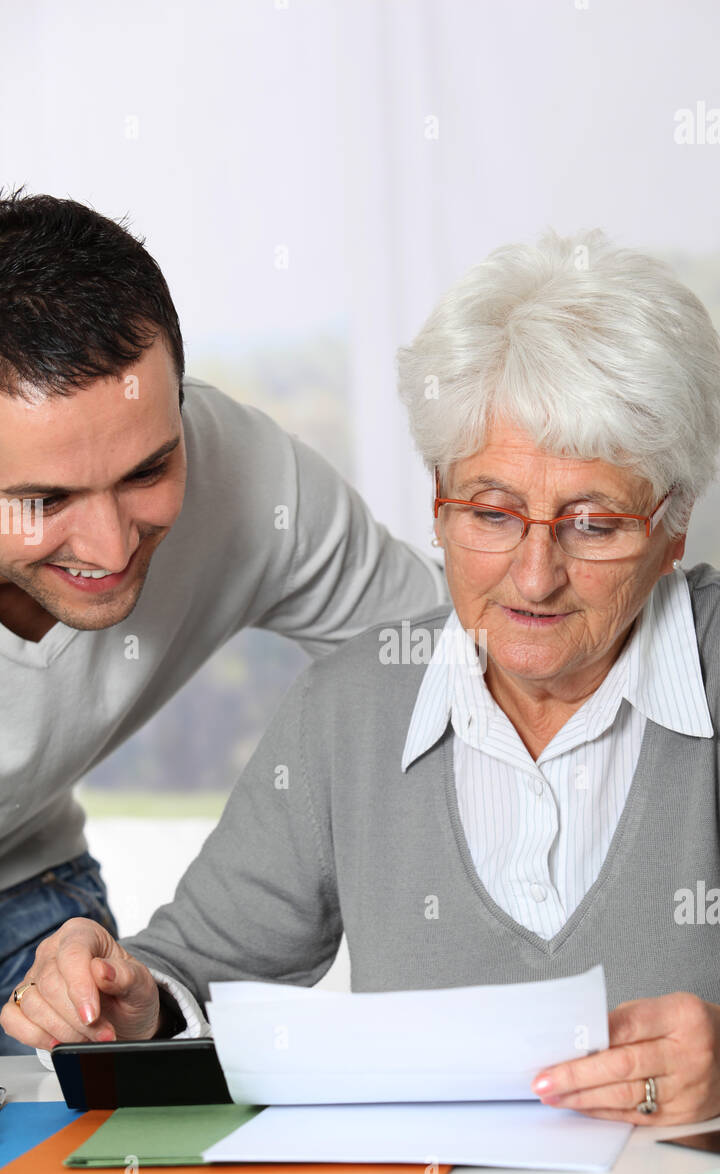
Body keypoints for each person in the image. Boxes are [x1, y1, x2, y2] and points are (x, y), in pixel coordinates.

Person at [4, 228, 720, 1126]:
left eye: (595, 523)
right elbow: (189, 970)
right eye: (491, 513)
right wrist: (135, 996)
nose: (534, 577)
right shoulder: (355, 705)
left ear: (673, 526)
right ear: (438, 505)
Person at [0, 189, 446, 1054]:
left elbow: (449, 656)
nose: (108, 543)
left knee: (110, 1163)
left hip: (34, 902)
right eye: (44, 500)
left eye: (147, 469)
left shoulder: (245, 476)